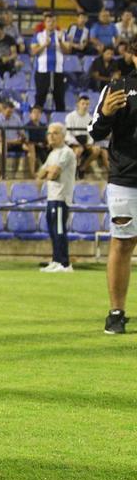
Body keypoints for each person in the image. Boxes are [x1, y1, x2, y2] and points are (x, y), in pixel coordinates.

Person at [88, 77, 137, 333]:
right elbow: (95, 132)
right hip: (126, 179)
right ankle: (116, 313)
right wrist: (106, 113)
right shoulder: (119, 88)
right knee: (122, 241)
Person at [35, 123, 77, 274]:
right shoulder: (52, 153)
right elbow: (39, 175)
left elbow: (52, 174)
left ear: (63, 135)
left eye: (55, 133)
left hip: (61, 197)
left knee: (59, 230)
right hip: (51, 197)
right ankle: (56, 260)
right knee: (53, 231)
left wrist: (49, 171)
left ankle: (65, 263)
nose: (51, 136)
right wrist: (48, 171)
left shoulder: (66, 152)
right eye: (49, 133)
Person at [32, 13, 70, 112]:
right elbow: (33, 51)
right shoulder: (39, 35)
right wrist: (45, 45)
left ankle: (59, 121)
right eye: (48, 21)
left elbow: (67, 51)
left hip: (58, 71)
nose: (51, 24)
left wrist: (60, 42)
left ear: (56, 22)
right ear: (45, 23)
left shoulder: (62, 34)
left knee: (59, 98)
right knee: (40, 97)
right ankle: (37, 120)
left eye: (53, 21)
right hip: (42, 71)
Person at [66, 94, 107, 176]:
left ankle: (83, 168)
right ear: (78, 104)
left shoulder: (90, 118)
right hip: (74, 141)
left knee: (96, 150)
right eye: (83, 103)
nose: (85, 106)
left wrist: (89, 142)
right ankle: (73, 170)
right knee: (78, 150)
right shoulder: (70, 116)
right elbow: (68, 134)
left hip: (86, 141)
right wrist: (76, 143)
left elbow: (90, 134)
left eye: (87, 104)